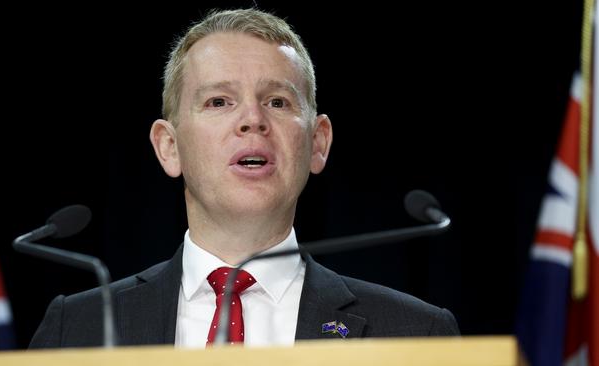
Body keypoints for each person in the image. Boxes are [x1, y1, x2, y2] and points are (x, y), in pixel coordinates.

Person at [28, 8, 459, 349]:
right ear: (169, 147)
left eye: (276, 100)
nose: (253, 120)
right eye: (219, 101)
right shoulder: (77, 326)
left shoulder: (415, 332)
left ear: (318, 143)